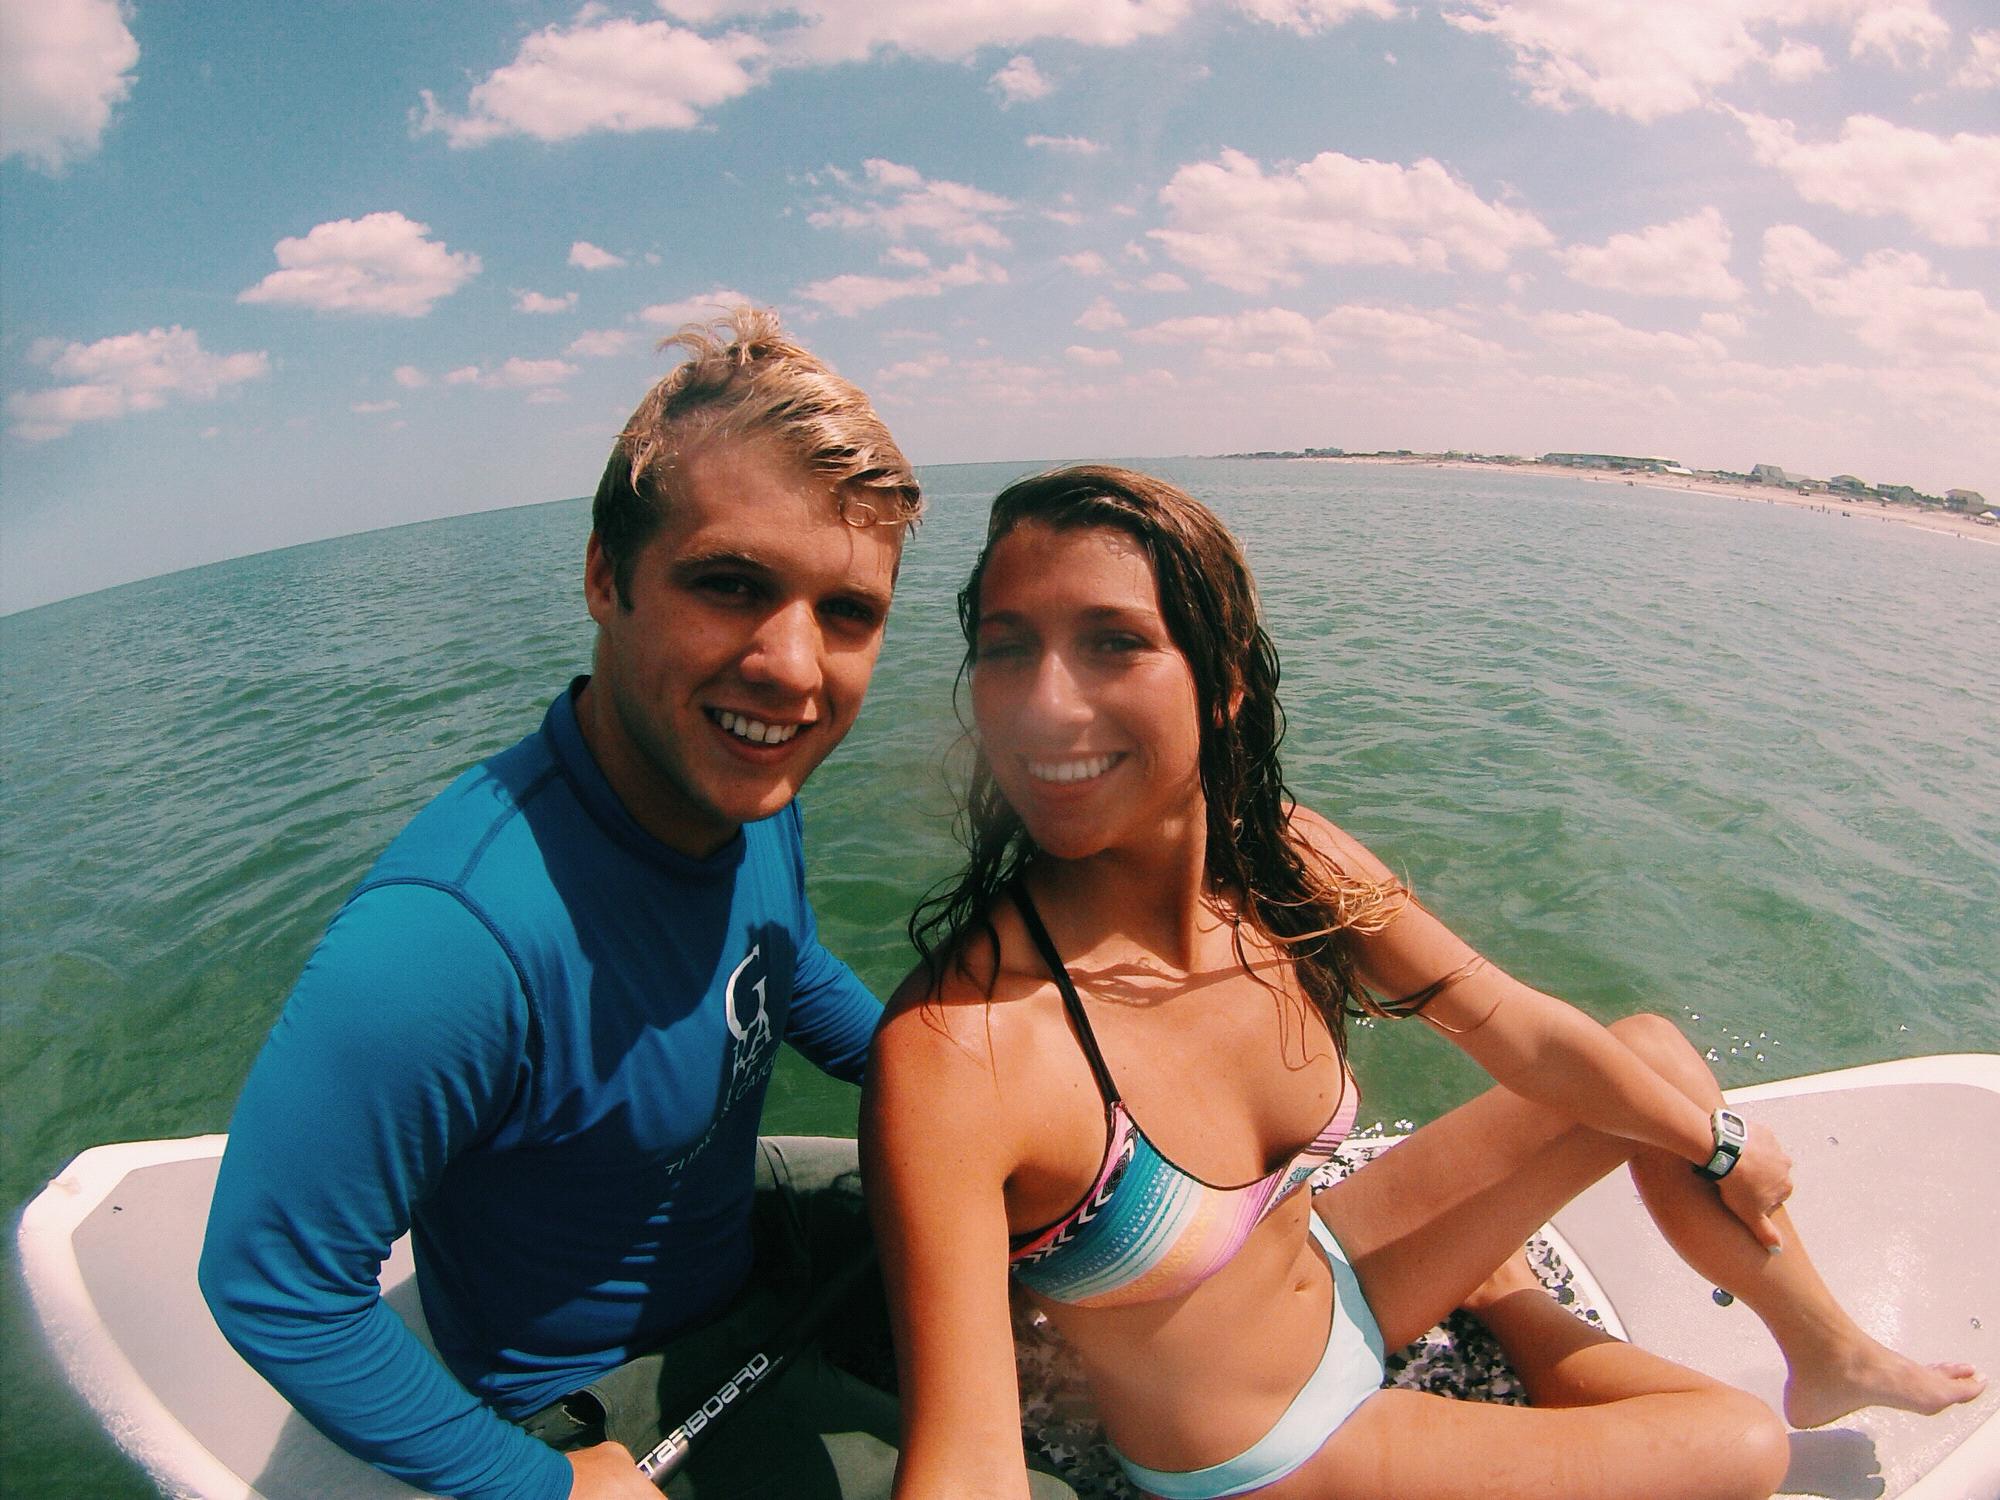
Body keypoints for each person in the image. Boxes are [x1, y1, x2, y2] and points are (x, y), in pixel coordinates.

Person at [862, 466, 1985, 1500]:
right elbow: (964, 1467)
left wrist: (1718, 1147)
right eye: (1007, 648)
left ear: (1225, 685)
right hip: (1262, 1451)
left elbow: (1513, 1026)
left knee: (1646, 1059)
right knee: (1737, 1448)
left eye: (1113, 643)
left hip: (1335, 1272)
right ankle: (1515, 1305)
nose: (1045, 705)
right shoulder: (960, 1049)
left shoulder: (1281, 863)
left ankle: (1827, 1351)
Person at [200, 309, 923, 1500]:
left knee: (1063, 1294)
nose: (794, 668)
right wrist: (544, 1486)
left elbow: (781, 963)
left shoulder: (747, 795)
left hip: (734, 1242)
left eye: (844, 611)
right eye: (729, 584)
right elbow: (272, 1282)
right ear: (603, 576)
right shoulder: (450, 939)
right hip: (597, 1387)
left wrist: (945, 1070)